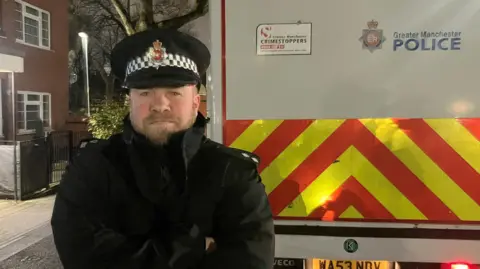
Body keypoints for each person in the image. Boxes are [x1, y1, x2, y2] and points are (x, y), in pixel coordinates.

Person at [50, 28, 275, 269]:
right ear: (131, 101)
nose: (160, 105)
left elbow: (251, 262)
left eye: (174, 92)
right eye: (145, 92)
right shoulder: (92, 167)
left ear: (195, 103)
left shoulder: (233, 172)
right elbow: (82, 255)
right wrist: (197, 248)